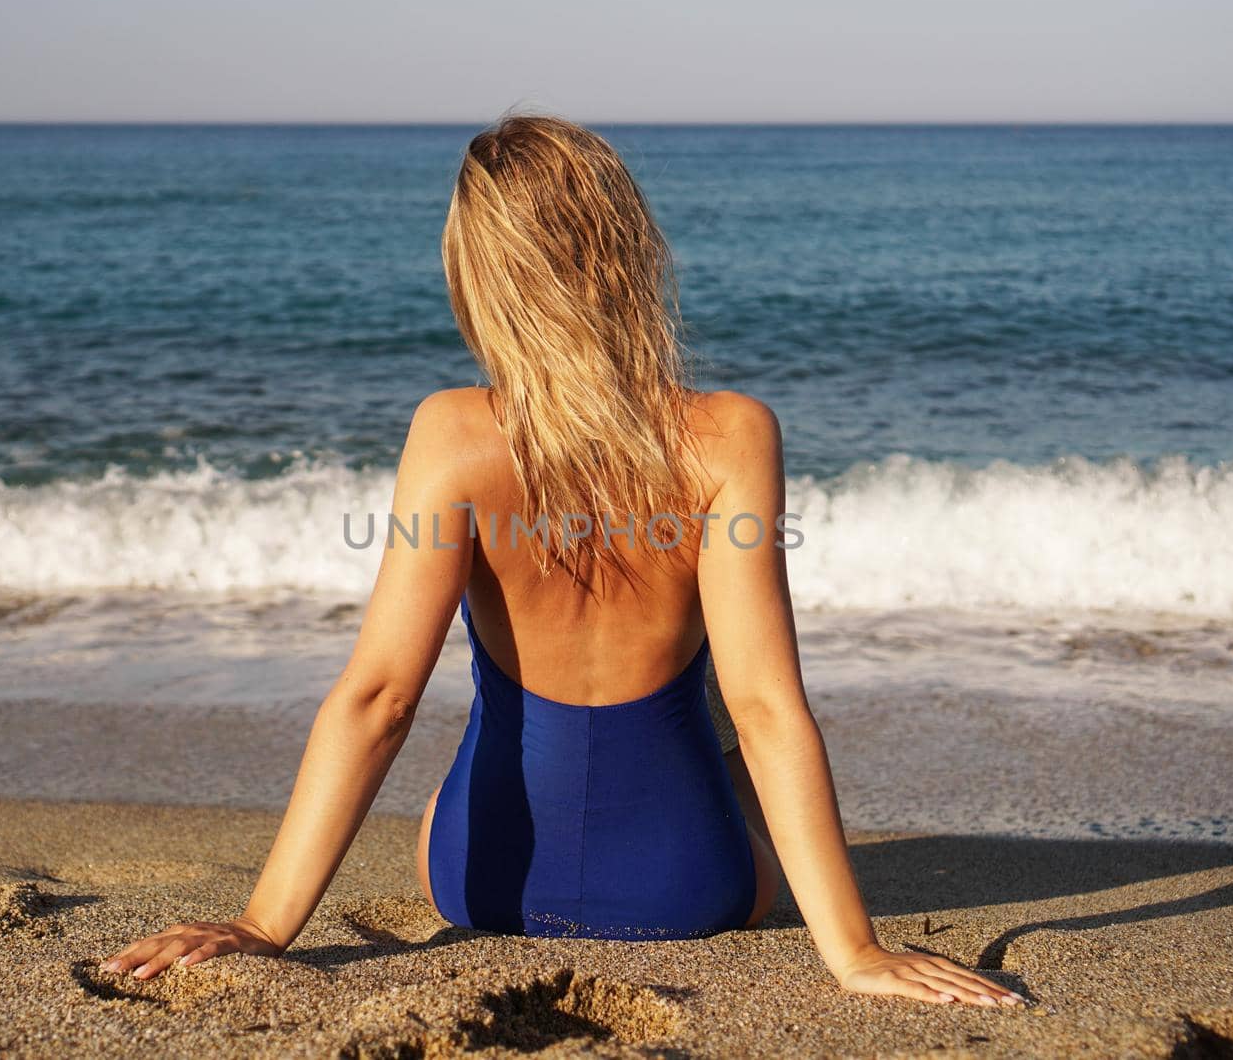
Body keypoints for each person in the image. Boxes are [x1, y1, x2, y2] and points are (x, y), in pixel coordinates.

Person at [103, 114, 1022, 1008]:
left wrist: (264, 923)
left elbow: (379, 699)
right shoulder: (731, 437)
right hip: (690, 891)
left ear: (480, 275)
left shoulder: (451, 435)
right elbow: (769, 706)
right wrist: (853, 950)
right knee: (719, 709)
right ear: (630, 252)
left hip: (480, 884)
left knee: (475, 757)